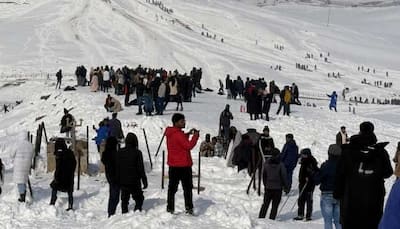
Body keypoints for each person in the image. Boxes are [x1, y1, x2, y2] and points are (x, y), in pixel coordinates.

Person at [334, 121, 393, 229]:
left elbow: (339, 175)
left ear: (360, 131)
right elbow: (388, 172)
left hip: (351, 205)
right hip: (373, 204)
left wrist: (337, 193)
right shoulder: (381, 153)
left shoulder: (348, 152)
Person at [165, 113, 199, 215]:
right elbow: (188, 146)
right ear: (176, 123)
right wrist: (195, 137)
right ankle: (189, 208)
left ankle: (170, 208)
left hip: (173, 165)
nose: (184, 122)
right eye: (182, 121)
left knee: (172, 189)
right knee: (187, 189)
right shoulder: (178, 134)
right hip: (183, 165)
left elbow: (180, 140)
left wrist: (187, 134)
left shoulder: (171, 133)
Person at [115, 133, 148, 214]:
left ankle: (124, 214)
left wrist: (117, 179)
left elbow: (117, 167)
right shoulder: (137, 153)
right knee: (139, 198)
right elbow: (141, 168)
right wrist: (144, 180)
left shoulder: (120, 152)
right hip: (134, 180)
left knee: (124, 200)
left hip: (123, 180)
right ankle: (137, 212)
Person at [315, 141, 342, 229]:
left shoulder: (326, 165)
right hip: (340, 195)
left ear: (329, 153)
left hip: (327, 194)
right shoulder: (343, 166)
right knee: (338, 221)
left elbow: (317, 180)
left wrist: (315, 172)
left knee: (328, 221)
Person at [258, 148, 288, 220]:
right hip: (278, 188)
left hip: (268, 187)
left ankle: (261, 218)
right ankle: (271, 219)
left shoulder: (266, 163)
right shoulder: (281, 164)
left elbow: (264, 175)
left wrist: (266, 184)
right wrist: (285, 186)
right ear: (278, 155)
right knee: (275, 205)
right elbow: (284, 176)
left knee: (265, 204)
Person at [50, 138, 76, 210]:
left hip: (61, 177)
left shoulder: (59, 155)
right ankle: (70, 205)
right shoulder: (70, 152)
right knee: (70, 191)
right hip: (69, 177)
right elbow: (74, 163)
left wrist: (56, 177)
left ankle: (52, 203)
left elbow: (58, 168)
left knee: (54, 187)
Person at [294, 148, 319, 221]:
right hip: (302, 183)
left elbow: (316, 172)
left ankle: (308, 215)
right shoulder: (304, 161)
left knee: (308, 200)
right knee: (301, 199)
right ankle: (300, 214)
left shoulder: (312, 162)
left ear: (306, 155)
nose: (301, 156)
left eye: (303, 154)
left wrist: (310, 176)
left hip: (309, 185)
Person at [13, 131, 34, 202]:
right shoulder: (30, 145)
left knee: (20, 180)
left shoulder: (17, 144)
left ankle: (22, 196)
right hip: (26, 165)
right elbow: (33, 155)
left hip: (18, 165)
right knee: (23, 180)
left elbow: (11, 154)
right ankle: (24, 193)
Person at [101, 136, 119, 217]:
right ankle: (112, 213)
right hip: (116, 176)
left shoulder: (105, 153)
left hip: (109, 176)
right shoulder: (116, 154)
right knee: (115, 196)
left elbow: (103, 160)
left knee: (112, 194)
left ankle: (110, 212)